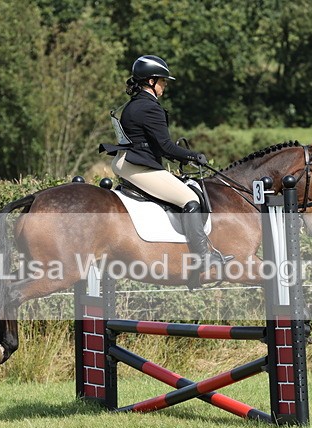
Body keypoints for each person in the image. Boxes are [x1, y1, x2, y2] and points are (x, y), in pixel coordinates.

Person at [99, 55, 232, 270]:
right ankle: (203, 258)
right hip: (138, 167)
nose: (165, 85)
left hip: (128, 162)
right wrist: (192, 156)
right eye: (162, 81)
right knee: (190, 199)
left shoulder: (133, 105)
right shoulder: (149, 107)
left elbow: (152, 144)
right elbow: (165, 147)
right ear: (151, 81)